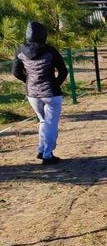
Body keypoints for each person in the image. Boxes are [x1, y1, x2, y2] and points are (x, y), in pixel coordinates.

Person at [11, 22, 67, 165]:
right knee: (51, 124)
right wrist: (55, 85)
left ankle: (42, 150)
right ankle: (48, 155)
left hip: (32, 94)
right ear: (43, 35)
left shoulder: (20, 51)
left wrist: (28, 80)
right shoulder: (50, 50)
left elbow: (15, 72)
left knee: (43, 121)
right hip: (51, 92)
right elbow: (63, 71)